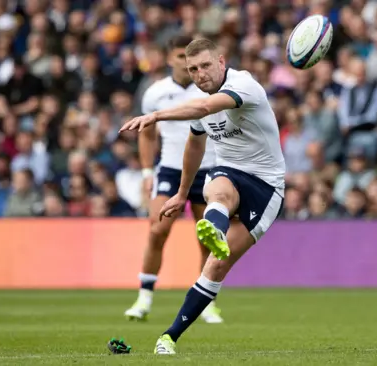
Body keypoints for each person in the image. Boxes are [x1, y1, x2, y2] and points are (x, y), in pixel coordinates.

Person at [120, 38, 285, 354]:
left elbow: (207, 107)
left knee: (217, 268)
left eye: (205, 65)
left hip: (266, 185)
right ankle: (167, 338)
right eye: (193, 68)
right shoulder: (197, 101)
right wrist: (182, 193)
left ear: (221, 62)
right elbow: (195, 145)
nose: (199, 73)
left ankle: (214, 233)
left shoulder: (244, 84)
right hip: (228, 172)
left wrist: (157, 116)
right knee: (218, 190)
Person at [123, 35, 223, 324]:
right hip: (169, 169)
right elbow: (148, 133)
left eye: (188, 58)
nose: (184, 62)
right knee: (157, 230)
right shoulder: (155, 92)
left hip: (207, 168)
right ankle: (144, 298)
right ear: (169, 59)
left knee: (208, 238)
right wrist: (145, 172)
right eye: (180, 57)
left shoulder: (208, 90)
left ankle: (207, 303)